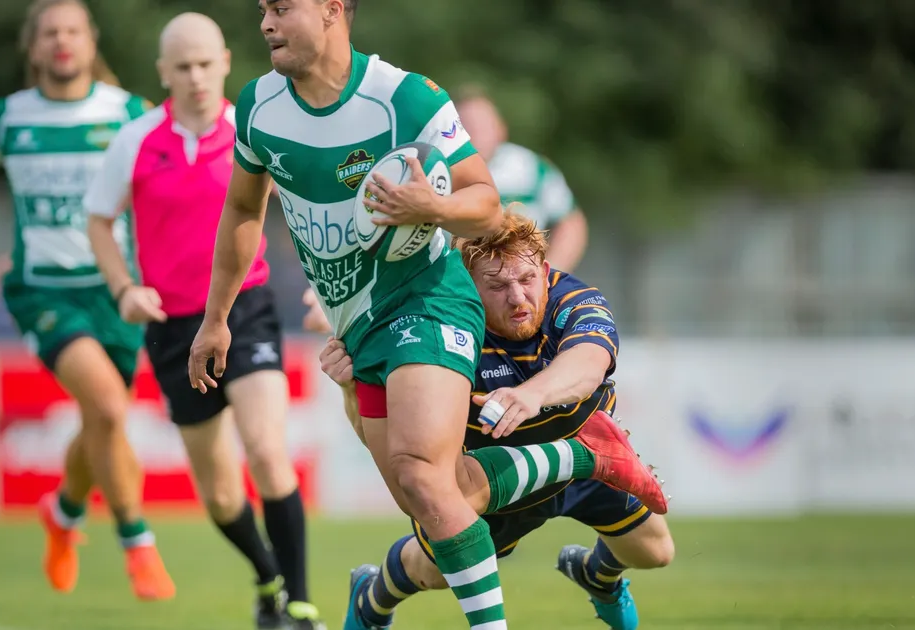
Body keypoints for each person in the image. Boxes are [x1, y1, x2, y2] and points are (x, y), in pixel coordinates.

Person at [187, 2, 667, 629]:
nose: (266, 24)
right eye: (263, 10)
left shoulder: (405, 98)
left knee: (423, 473)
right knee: (431, 498)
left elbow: (487, 204)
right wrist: (216, 317)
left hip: (428, 297)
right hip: (356, 323)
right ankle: (581, 455)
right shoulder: (257, 107)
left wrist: (430, 207)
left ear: (332, 10)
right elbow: (243, 212)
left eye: (282, 8)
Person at [314, 212, 674, 630]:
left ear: (545, 271)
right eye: (498, 286)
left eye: (527, 279)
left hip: (591, 461)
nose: (518, 297)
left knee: (656, 552)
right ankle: (371, 596)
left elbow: (589, 363)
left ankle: (597, 575)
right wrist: (351, 390)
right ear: (469, 286)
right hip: (496, 486)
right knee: (435, 557)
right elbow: (388, 443)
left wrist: (531, 394)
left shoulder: (573, 298)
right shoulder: (446, 328)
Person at [83, 13, 322, 629]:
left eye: (204, 64)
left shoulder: (254, 131)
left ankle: (299, 606)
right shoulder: (136, 140)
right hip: (172, 324)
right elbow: (98, 220)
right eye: (182, 66)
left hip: (248, 309)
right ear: (164, 72)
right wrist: (124, 289)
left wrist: (325, 288)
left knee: (267, 451)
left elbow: (310, 209)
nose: (195, 77)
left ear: (225, 64)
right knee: (217, 492)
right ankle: (267, 578)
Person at [0, 0, 174, 602]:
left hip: (116, 291)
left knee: (102, 417)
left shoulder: (128, 114)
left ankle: (65, 510)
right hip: (43, 290)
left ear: (90, 41)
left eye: (72, 30)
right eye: (50, 32)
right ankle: (137, 543)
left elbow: (170, 179)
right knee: (108, 406)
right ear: (34, 46)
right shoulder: (4, 119)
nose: (62, 41)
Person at [455, 85, 589, 272]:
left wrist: (551, 272)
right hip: (458, 283)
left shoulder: (532, 168)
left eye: (482, 126)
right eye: (465, 126)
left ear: (501, 129)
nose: (474, 134)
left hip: (520, 280)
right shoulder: (437, 170)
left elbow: (570, 222)